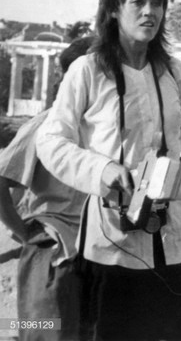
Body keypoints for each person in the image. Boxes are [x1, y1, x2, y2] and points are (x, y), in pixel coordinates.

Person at [36, 0, 181, 340]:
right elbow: (51, 141)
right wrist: (101, 170)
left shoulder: (173, 71)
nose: (150, 12)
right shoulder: (87, 72)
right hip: (115, 244)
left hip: (178, 238)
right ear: (114, 9)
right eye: (138, 2)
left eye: (158, 3)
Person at [0, 36, 93, 341]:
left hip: (96, 256)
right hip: (51, 255)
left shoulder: (105, 134)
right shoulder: (44, 127)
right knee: (44, 332)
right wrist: (25, 233)